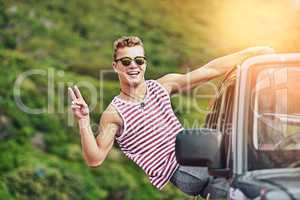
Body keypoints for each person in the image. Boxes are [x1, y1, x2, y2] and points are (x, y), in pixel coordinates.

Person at [68, 36, 274, 198]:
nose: (133, 65)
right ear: (116, 66)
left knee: (260, 164)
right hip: (182, 170)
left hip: (201, 155)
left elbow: (210, 70)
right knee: (247, 190)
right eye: (126, 61)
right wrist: (84, 122)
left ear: (145, 64)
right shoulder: (114, 114)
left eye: (138, 60)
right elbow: (95, 158)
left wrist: (250, 53)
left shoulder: (162, 86)